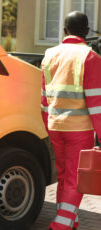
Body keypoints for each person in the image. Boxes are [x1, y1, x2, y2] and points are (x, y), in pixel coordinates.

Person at [41, 11, 101, 230]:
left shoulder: (49, 54)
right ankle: (60, 226)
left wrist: (49, 126)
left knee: (64, 177)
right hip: (79, 130)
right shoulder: (91, 57)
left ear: (64, 31)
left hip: (55, 125)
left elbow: (43, 99)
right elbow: (97, 106)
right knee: (76, 181)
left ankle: (71, 222)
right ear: (86, 32)